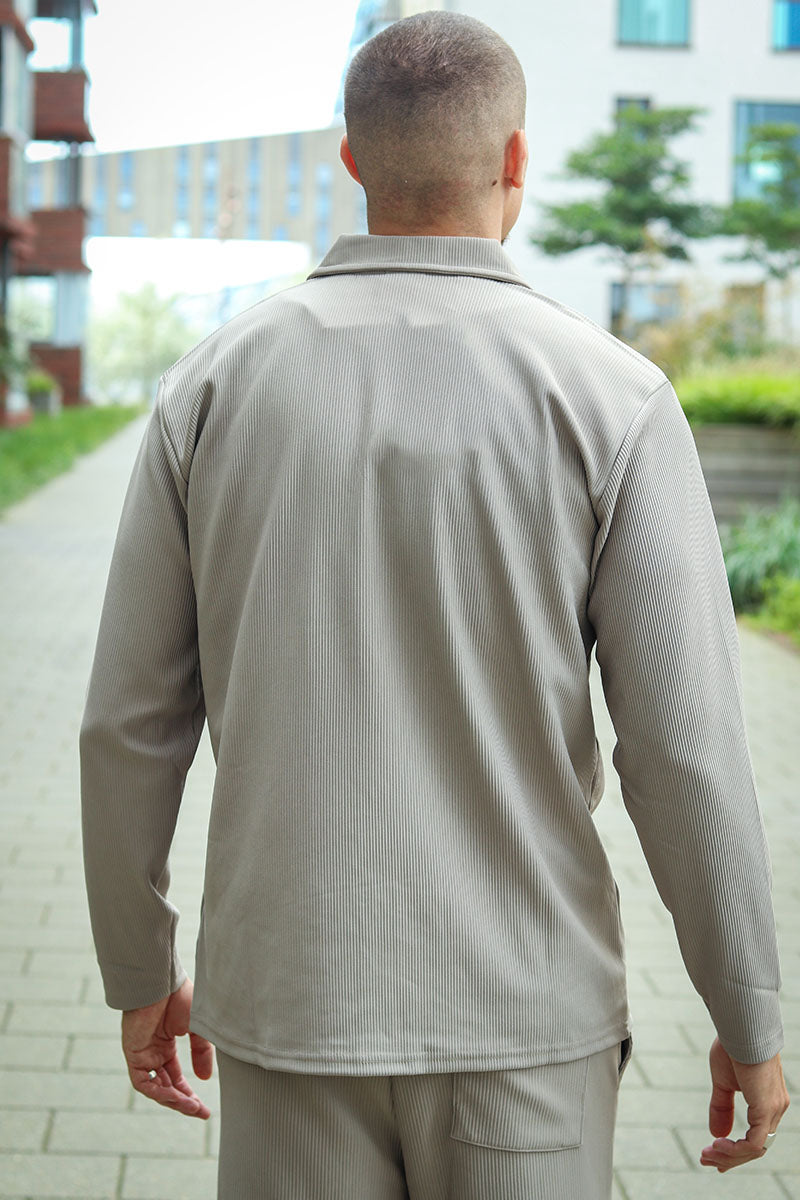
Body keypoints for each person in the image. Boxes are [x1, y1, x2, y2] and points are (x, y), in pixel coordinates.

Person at [80, 11, 789, 1199]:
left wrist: (136, 969)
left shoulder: (212, 385)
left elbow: (127, 724)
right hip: (525, 1011)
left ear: (350, 161)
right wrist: (745, 1010)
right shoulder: (610, 397)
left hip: (288, 996)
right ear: (515, 159)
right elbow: (685, 750)